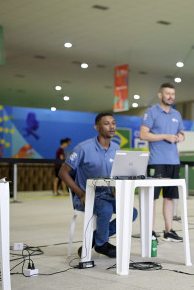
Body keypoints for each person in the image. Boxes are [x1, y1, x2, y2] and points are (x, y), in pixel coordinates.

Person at [58, 113, 138, 258]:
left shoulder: (116, 148)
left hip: (107, 195)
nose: (112, 126)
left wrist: (115, 190)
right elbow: (63, 172)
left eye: (113, 123)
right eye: (107, 123)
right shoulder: (83, 148)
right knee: (105, 209)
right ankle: (102, 245)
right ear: (96, 127)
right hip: (86, 197)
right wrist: (81, 193)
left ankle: (96, 238)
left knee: (131, 212)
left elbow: (116, 174)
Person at [139, 83, 185, 242]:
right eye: (167, 93)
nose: (171, 96)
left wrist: (180, 136)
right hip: (156, 162)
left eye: (173, 94)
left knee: (170, 198)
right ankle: (150, 232)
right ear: (160, 95)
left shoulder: (176, 114)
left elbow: (182, 133)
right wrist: (165, 136)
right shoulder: (151, 112)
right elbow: (143, 135)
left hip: (173, 161)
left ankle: (168, 230)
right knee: (152, 198)